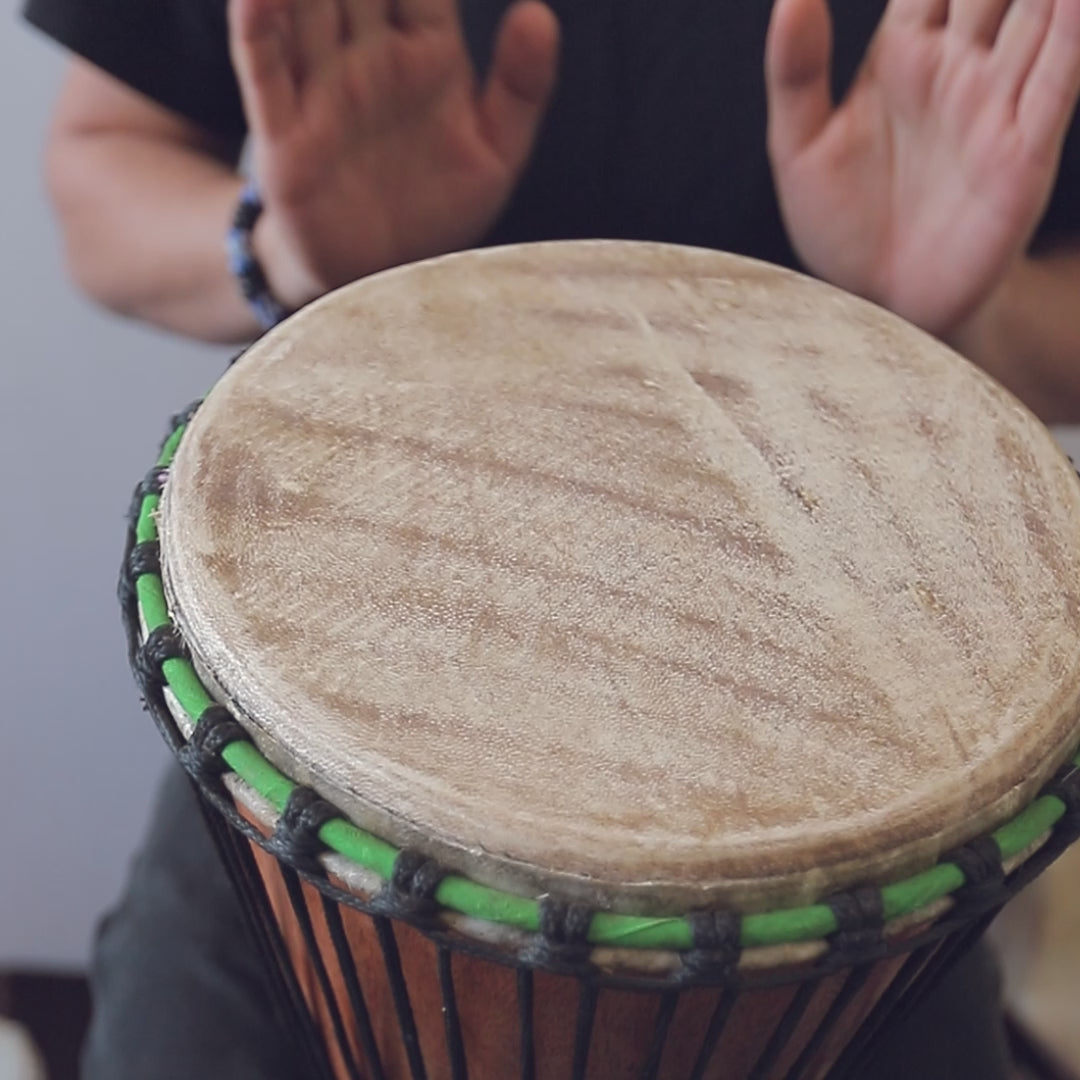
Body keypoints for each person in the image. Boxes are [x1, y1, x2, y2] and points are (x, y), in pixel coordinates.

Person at [22, 0, 1080, 1076]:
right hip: (325, 728)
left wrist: (963, 317)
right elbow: (98, 168)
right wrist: (279, 246)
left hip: (855, 763)